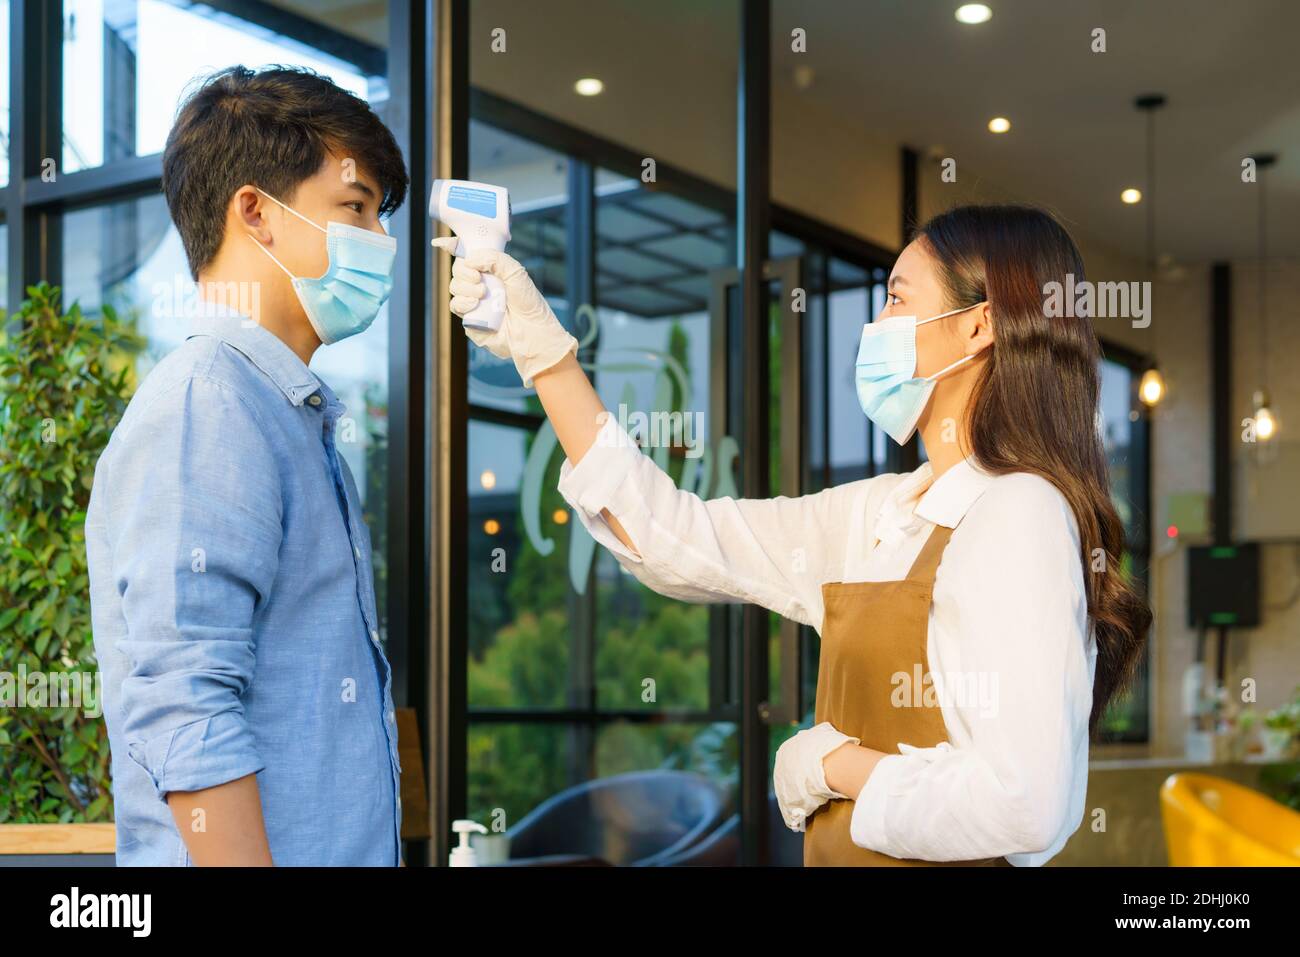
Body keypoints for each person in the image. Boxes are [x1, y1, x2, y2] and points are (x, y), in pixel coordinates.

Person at [433, 203, 1152, 866]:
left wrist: (835, 767)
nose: (878, 322)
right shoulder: (883, 513)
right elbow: (670, 535)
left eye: (898, 297)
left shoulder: (1018, 511)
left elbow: (1026, 806)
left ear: (977, 324)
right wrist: (545, 354)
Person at [86, 65, 408, 866]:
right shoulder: (209, 406)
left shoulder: (283, 411)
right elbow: (185, 712)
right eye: (356, 207)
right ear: (257, 213)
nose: (381, 244)